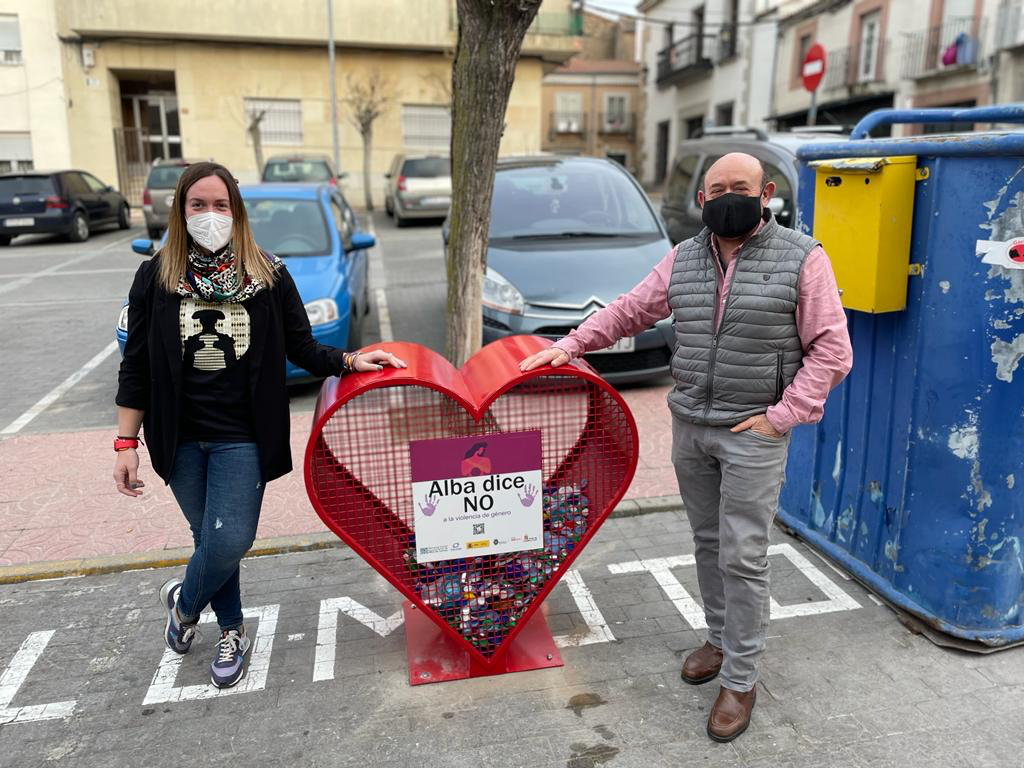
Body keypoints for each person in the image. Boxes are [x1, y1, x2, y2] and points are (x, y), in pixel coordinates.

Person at [521, 152, 852, 742]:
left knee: (743, 555)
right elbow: (629, 311)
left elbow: (832, 351)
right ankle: (720, 641)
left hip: (753, 432)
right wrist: (570, 346)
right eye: (716, 187)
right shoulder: (684, 257)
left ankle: (742, 679)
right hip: (691, 426)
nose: (728, 196)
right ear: (701, 198)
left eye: (740, 187)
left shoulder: (803, 258)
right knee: (705, 542)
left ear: (766, 192)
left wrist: (783, 417)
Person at [113, 162, 405, 689]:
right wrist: (124, 443)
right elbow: (135, 366)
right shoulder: (154, 278)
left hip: (241, 436)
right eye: (197, 205)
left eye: (220, 205)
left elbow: (303, 347)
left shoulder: (269, 275)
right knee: (209, 537)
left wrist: (348, 360)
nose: (209, 215)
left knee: (229, 541)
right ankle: (231, 630)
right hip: (177, 437)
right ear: (180, 211)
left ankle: (183, 604)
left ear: (236, 212)